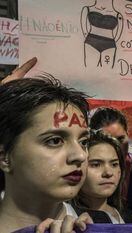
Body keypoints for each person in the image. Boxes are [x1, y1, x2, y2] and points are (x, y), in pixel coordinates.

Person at [0, 75, 92, 232]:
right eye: (55, 141)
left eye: (84, 142)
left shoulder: (100, 224)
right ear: (4, 157)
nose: (80, 156)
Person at [90, 107, 132, 222]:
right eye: (108, 140)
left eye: (120, 139)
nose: (116, 146)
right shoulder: (85, 168)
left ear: (127, 134)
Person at [71, 130, 132, 223]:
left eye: (114, 164)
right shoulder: (66, 218)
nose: (108, 173)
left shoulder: (131, 219)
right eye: (96, 164)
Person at [81, 0, 123, 68]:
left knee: (108, 69)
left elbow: (118, 34)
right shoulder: (87, 9)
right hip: (91, 41)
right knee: (88, 67)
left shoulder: (118, 15)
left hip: (109, 44)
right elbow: (84, 27)